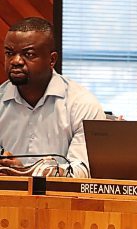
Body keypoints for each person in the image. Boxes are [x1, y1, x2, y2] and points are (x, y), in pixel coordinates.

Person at [0, 17, 106, 177]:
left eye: (28, 54)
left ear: (52, 60)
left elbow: (83, 173)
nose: (16, 61)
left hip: (63, 201)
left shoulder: (81, 104)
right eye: (9, 53)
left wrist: (27, 173)